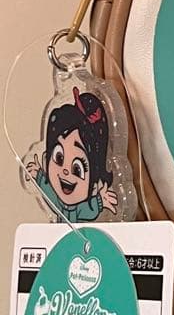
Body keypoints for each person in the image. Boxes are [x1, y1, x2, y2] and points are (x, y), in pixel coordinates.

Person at [26, 87, 118, 222]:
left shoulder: (79, 210)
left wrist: (100, 201)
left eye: (77, 169)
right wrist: (38, 175)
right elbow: (48, 191)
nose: (65, 171)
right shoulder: (57, 203)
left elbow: (89, 211)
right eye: (59, 158)